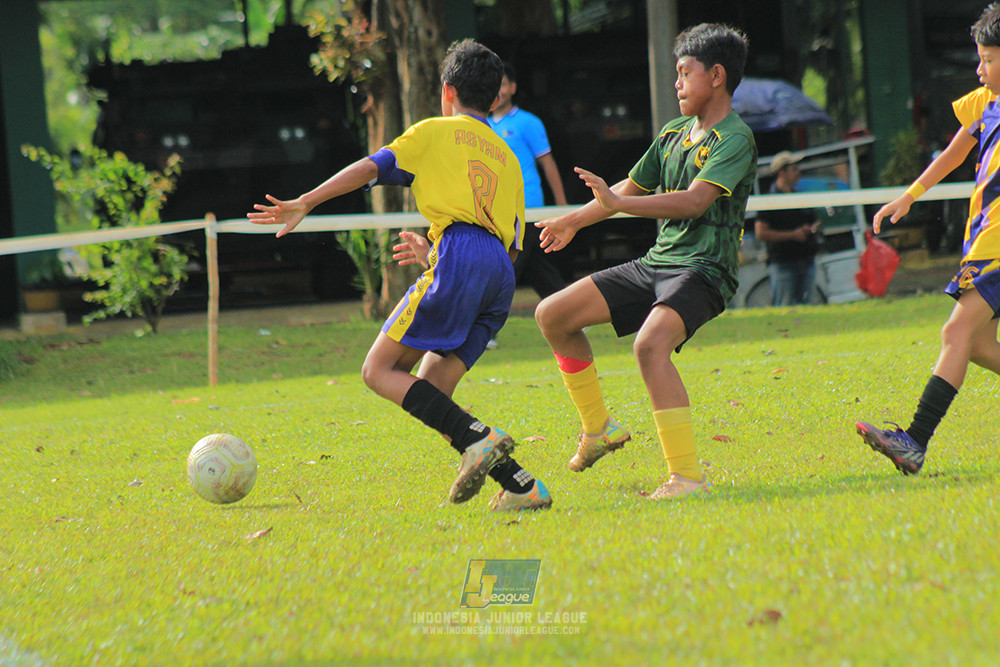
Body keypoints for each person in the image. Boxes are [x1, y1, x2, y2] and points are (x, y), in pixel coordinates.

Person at [247, 39, 551, 511]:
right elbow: (510, 246)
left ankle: (483, 438)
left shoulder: (433, 131)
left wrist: (306, 200)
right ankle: (523, 485)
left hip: (461, 255)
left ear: (447, 91)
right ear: (495, 98)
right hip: (499, 273)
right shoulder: (507, 156)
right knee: (433, 391)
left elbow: (372, 167)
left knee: (378, 370)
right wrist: (438, 255)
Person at [533, 23, 757, 499]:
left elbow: (693, 202)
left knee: (649, 345)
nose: (677, 83)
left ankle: (686, 478)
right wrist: (573, 221)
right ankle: (599, 430)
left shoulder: (735, 140)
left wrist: (618, 206)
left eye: (684, 73)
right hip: (657, 262)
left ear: (716, 76)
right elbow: (626, 192)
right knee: (552, 314)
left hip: (705, 270)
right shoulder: (674, 133)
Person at [856, 4, 1000, 476]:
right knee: (977, 346)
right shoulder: (983, 102)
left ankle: (914, 441)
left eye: (988, 59)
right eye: (978, 59)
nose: (979, 70)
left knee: (955, 333)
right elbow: (955, 152)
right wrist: (908, 197)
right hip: (980, 243)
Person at [489, 62, 569, 300]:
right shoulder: (481, 125)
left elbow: (548, 163)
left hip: (528, 206)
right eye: (494, 85)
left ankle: (487, 328)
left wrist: (563, 206)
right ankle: (569, 311)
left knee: (507, 265)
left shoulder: (529, 122)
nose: (498, 91)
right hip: (497, 209)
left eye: (503, 84)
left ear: (513, 87)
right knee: (535, 267)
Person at [754, 151, 821, 306]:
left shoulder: (800, 196)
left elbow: (814, 221)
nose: (798, 173)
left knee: (809, 307)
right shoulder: (769, 200)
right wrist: (793, 235)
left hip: (806, 260)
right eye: (794, 169)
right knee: (785, 307)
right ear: (782, 172)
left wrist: (812, 229)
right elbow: (760, 232)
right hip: (783, 263)